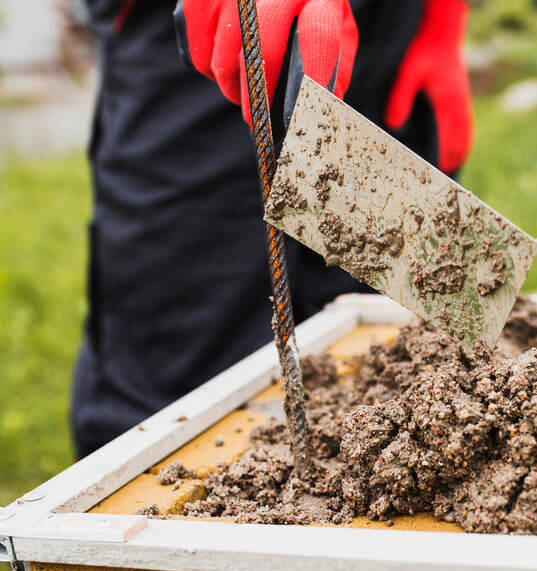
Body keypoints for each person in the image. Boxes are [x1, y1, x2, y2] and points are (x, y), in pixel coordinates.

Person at [70, 0, 473, 459]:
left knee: (422, 389)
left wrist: (442, 21)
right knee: (172, 413)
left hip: (377, 50)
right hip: (202, 53)